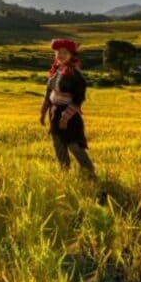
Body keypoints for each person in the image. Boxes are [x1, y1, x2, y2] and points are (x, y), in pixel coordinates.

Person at [39, 38, 96, 177]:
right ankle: (64, 174)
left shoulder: (75, 75)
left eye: (65, 52)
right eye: (58, 52)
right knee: (58, 145)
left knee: (73, 146)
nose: (61, 55)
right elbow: (49, 93)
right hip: (54, 113)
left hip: (69, 116)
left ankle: (90, 173)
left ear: (71, 55)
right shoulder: (56, 71)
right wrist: (43, 112)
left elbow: (78, 99)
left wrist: (65, 117)